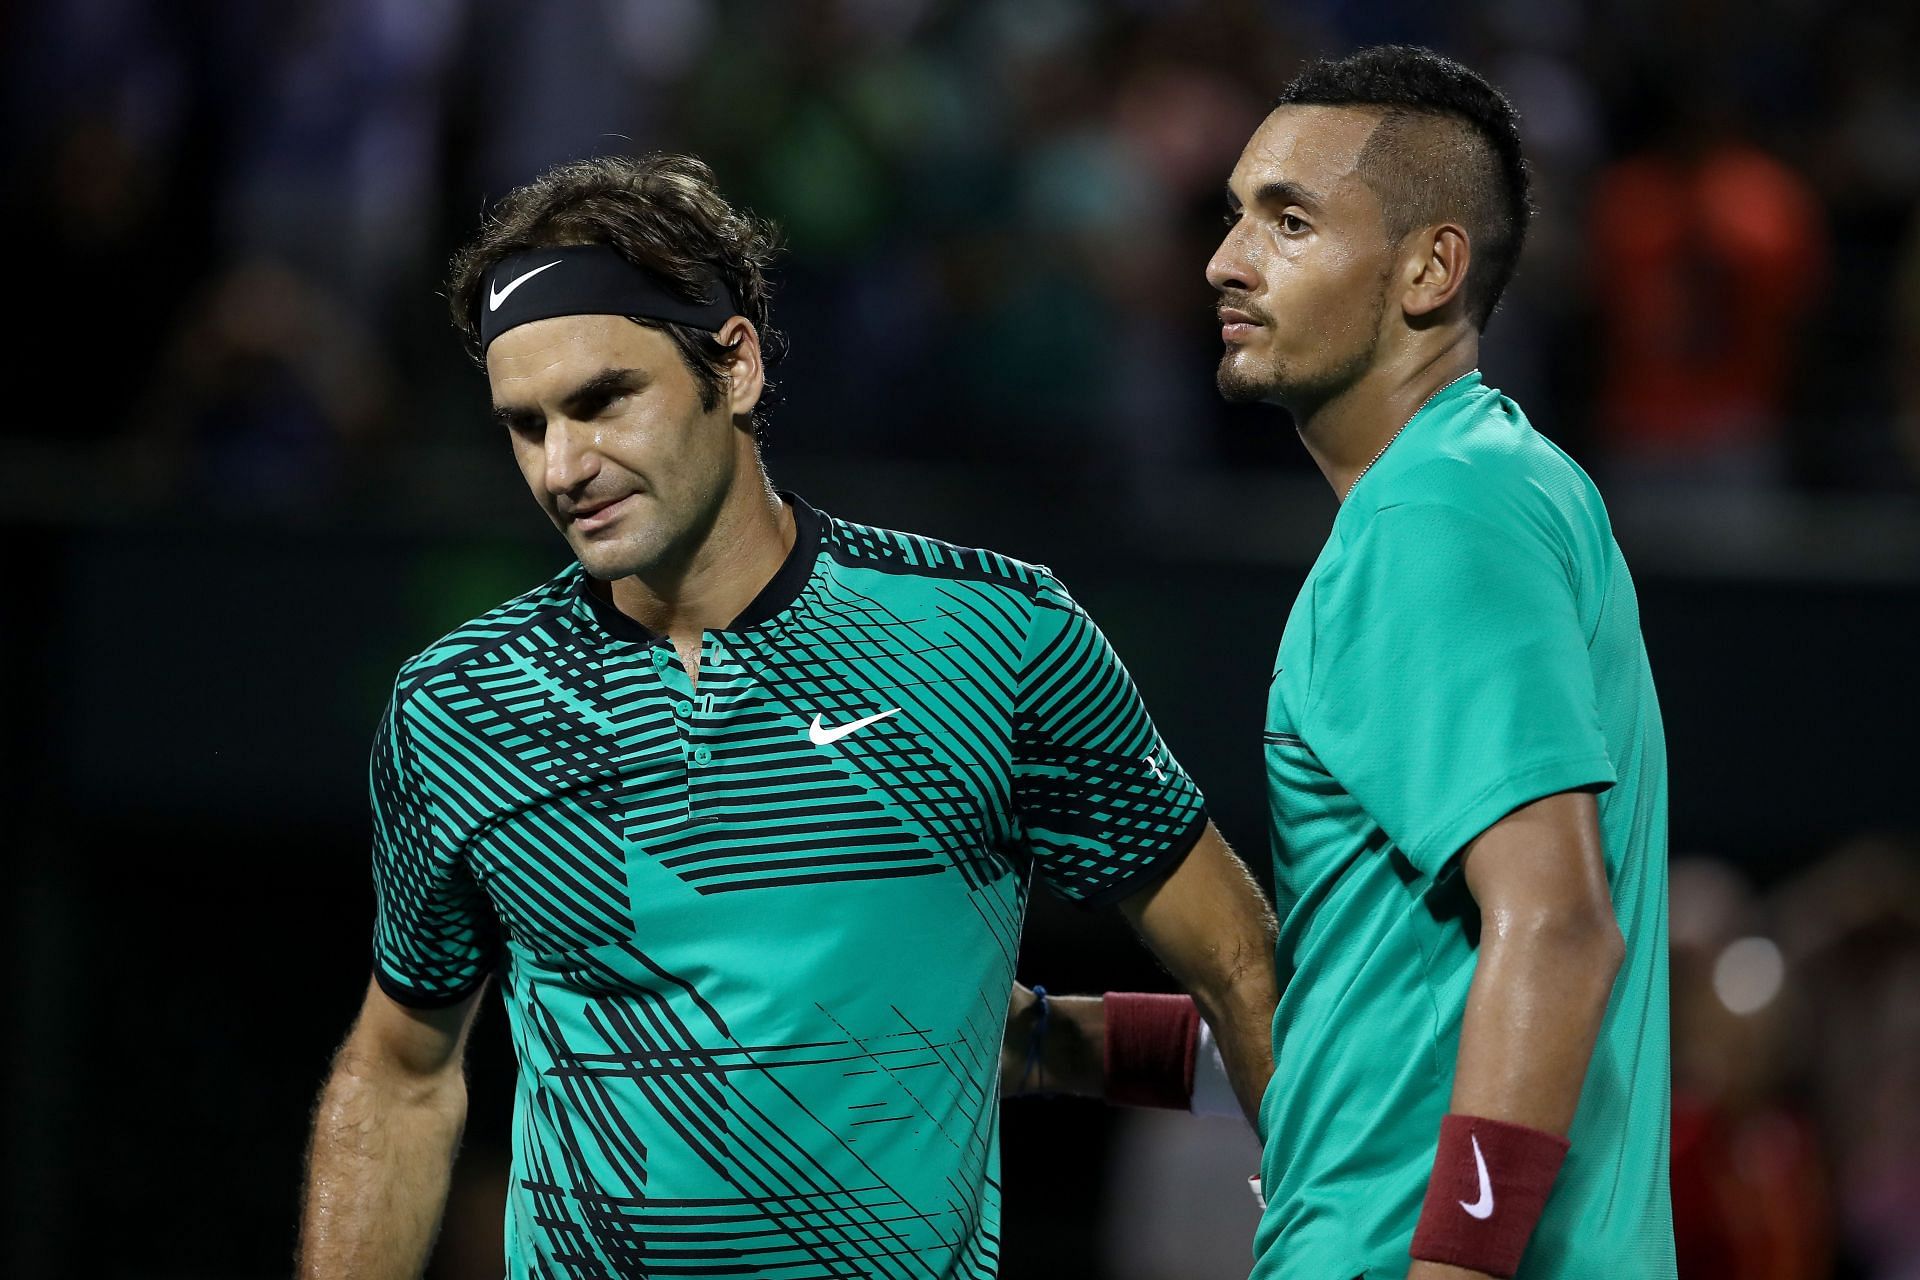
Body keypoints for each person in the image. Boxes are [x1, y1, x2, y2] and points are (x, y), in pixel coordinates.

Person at [293, 152, 1279, 1280]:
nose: (564, 464)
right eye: (526, 424)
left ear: (739, 366)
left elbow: (1239, 966)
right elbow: (400, 1073)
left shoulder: (1000, 636)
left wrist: (1328, 1246)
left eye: (605, 398)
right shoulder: (455, 707)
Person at [1028, 46, 1675, 1279]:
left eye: (1290, 219)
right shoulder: (1499, 486)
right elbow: (1354, 1029)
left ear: (1431, 268)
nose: (1225, 258)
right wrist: (1046, 1042)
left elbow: (1558, 928)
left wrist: (1459, 1267)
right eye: (1232, 215)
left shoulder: (1438, 513)